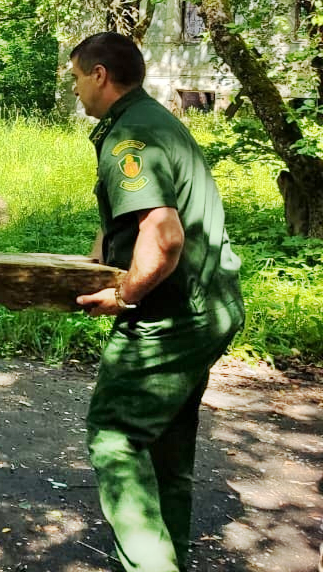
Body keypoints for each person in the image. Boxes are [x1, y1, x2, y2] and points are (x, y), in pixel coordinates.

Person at [70, 31, 244, 572]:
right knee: (166, 449)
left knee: (115, 437)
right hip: (210, 308)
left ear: (100, 75)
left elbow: (164, 237)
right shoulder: (153, 122)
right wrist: (98, 260)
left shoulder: (132, 139)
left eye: (77, 77)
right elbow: (133, 222)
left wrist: (124, 293)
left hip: (170, 319)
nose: (76, 90)